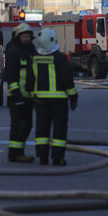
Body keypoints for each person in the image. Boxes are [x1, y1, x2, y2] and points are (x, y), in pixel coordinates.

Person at [29, 29, 78, 166]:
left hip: (40, 101)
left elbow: (30, 80)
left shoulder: (34, 58)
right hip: (59, 101)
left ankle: (42, 157)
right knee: (59, 130)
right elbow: (68, 80)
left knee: (41, 129)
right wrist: (73, 97)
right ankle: (58, 158)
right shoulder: (60, 58)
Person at [5, 23, 38, 163]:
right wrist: (16, 93)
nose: (26, 38)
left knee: (27, 125)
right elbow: (10, 75)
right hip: (17, 97)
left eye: (28, 36)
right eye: (24, 36)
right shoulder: (14, 52)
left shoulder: (32, 51)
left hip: (29, 96)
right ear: (18, 37)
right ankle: (15, 154)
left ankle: (19, 152)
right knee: (19, 125)